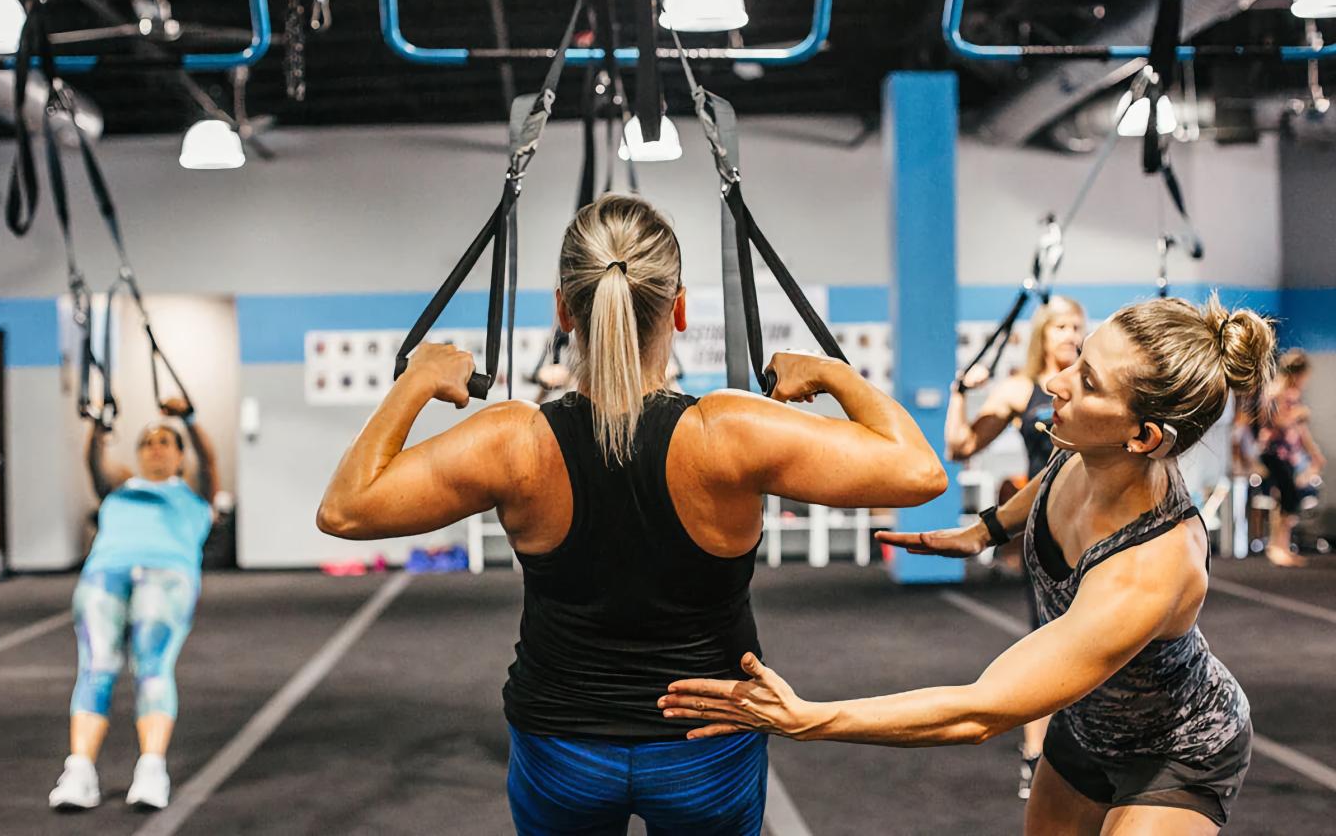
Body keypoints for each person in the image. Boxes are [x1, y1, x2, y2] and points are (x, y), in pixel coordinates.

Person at [317, 193, 947, 834]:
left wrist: (416, 380)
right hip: (706, 740)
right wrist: (836, 374)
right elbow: (921, 471)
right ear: (678, 310)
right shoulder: (727, 431)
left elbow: (345, 509)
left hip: (562, 747)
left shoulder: (515, 439)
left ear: (564, 308)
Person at [661, 295, 1273, 835]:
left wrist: (812, 719)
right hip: (1087, 727)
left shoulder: (1153, 567)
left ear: (1142, 437)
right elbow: (1048, 483)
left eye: (1087, 382)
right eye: (1076, 358)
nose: (1057, 382)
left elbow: (983, 710)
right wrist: (982, 531)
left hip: (1177, 747)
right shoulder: (1088, 455)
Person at [945, 294, 1086, 798]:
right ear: (1042, 335)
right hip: (1046, 530)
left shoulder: (1094, 388)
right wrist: (959, 392)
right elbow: (960, 446)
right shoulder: (1022, 389)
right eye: (1061, 327)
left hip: (1098, 531)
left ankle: (1095, 751)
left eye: (1077, 326)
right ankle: (1035, 753)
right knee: (1047, 644)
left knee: (1097, 642)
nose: (1071, 335)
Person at [49, 398, 217, 811]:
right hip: (105, 575)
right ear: (137, 455)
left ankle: (151, 769)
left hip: (167, 578)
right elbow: (94, 461)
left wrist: (188, 419)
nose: (155, 447)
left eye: (165, 441)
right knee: (96, 666)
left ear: (179, 455)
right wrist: (99, 424)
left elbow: (209, 460)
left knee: (152, 668)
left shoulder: (194, 492)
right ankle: (80, 771)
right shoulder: (121, 487)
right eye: (147, 442)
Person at [1255, 350, 1324, 567]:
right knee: (1287, 498)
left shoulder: (1293, 395)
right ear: (1296, 373)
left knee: (1286, 499)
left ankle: (1281, 546)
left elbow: (1301, 432)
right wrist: (1298, 414)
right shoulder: (1275, 392)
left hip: (1290, 455)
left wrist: (1314, 454)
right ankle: (1277, 547)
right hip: (1274, 453)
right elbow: (1274, 422)